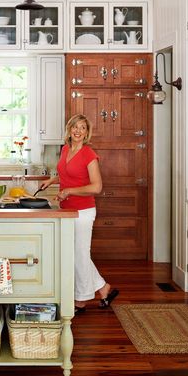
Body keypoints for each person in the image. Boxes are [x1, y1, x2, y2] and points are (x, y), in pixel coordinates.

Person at [39, 114, 119, 314]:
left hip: (83, 211)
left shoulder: (88, 154)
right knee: (75, 254)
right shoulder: (66, 149)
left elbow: (96, 187)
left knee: (80, 255)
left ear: (86, 133)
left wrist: (69, 191)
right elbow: (67, 175)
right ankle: (103, 289)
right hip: (67, 210)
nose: (78, 131)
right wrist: (52, 181)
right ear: (69, 129)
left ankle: (81, 300)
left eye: (82, 128)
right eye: (75, 127)